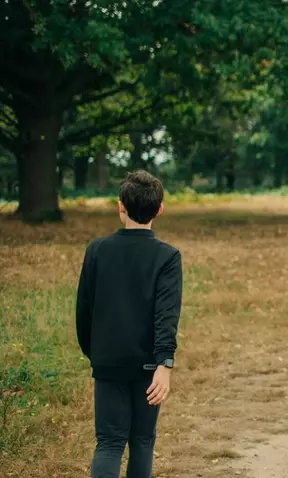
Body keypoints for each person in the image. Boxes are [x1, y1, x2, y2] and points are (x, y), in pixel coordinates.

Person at [76, 170, 182, 478]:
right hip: (149, 367)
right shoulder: (167, 257)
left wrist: (95, 353)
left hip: (107, 360)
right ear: (159, 209)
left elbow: (84, 309)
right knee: (142, 442)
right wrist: (164, 364)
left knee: (108, 444)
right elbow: (166, 315)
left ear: (120, 206)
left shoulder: (97, 250)